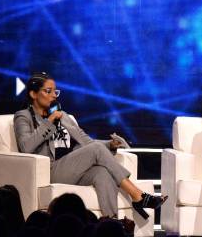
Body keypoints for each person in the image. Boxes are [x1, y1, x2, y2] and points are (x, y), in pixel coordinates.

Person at [13, 72, 166, 219]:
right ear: (33, 94)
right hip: (51, 170)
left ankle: (110, 224)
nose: (54, 95)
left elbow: (86, 142)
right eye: (48, 91)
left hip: (72, 168)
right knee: (97, 151)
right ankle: (138, 196)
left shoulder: (63, 115)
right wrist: (50, 121)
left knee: (102, 173)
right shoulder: (23, 116)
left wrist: (110, 145)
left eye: (55, 91)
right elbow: (26, 146)